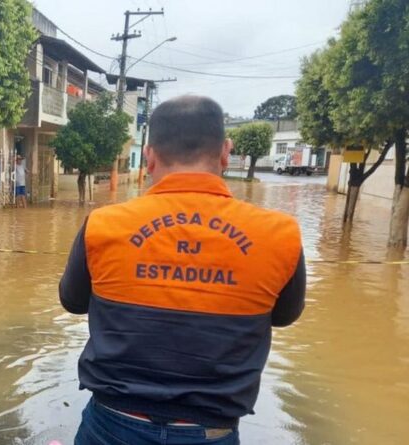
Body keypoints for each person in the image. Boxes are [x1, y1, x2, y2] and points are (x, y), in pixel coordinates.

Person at [59, 96, 305, 445]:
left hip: (112, 426)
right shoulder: (280, 234)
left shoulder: (102, 225)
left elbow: (72, 301)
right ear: (225, 152)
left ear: (149, 157)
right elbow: (283, 316)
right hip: (211, 431)